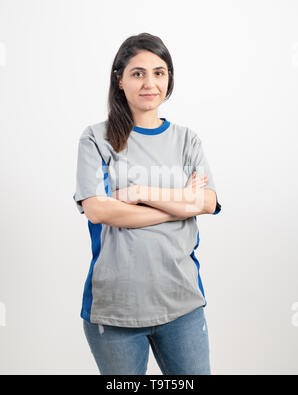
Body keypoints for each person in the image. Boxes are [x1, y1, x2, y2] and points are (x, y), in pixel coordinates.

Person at [73, 32, 222, 375]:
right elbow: (99, 210)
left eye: (159, 72)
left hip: (183, 304)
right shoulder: (96, 139)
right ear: (120, 79)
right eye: (138, 73)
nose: (149, 83)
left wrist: (141, 193)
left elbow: (209, 201)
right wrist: (182, 202)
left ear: (169, 79)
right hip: (115, 312)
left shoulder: (187, 139)